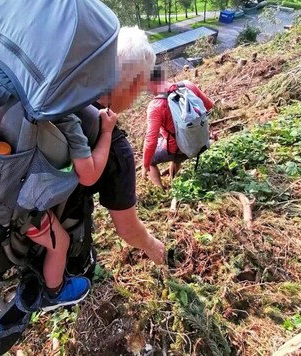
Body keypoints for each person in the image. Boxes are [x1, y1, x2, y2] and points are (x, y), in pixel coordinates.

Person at [64, 26, 166, 269]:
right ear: (134, 84)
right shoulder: (115, 147)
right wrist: (152, 244)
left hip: (20, 220)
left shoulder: (63, 97)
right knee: (81, 274)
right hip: (66, 231)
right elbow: (127, 229)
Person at [24, 104, 118, 311]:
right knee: (60, 244)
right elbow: (89, 175)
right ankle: (55, 292)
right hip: (21, 209)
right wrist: (107, 131)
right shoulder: (60, 110)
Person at [141, 66, 214, 189]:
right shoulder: (187, 85)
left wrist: (145, 165)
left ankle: (161, 191)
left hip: (179, 150)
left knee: (152, 159)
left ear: (151, 83)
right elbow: (208, 106)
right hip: (201, 143)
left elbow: (151, 140)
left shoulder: (156, 105)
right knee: (175, 148)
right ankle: (173, 180)